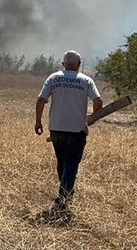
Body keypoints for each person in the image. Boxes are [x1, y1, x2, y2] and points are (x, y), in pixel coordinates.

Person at [35, 50, 103, 215]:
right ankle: (63, 198)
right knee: (71, 165)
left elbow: (41, 100)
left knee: (62, 162)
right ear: (79, 65)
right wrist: (93, 117)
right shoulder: (86, 80)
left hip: (56, 129)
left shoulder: (53, 78)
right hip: (76, 130)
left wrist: (38, 121)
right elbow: (98, 101)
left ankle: (65, 191)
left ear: (63, 64)